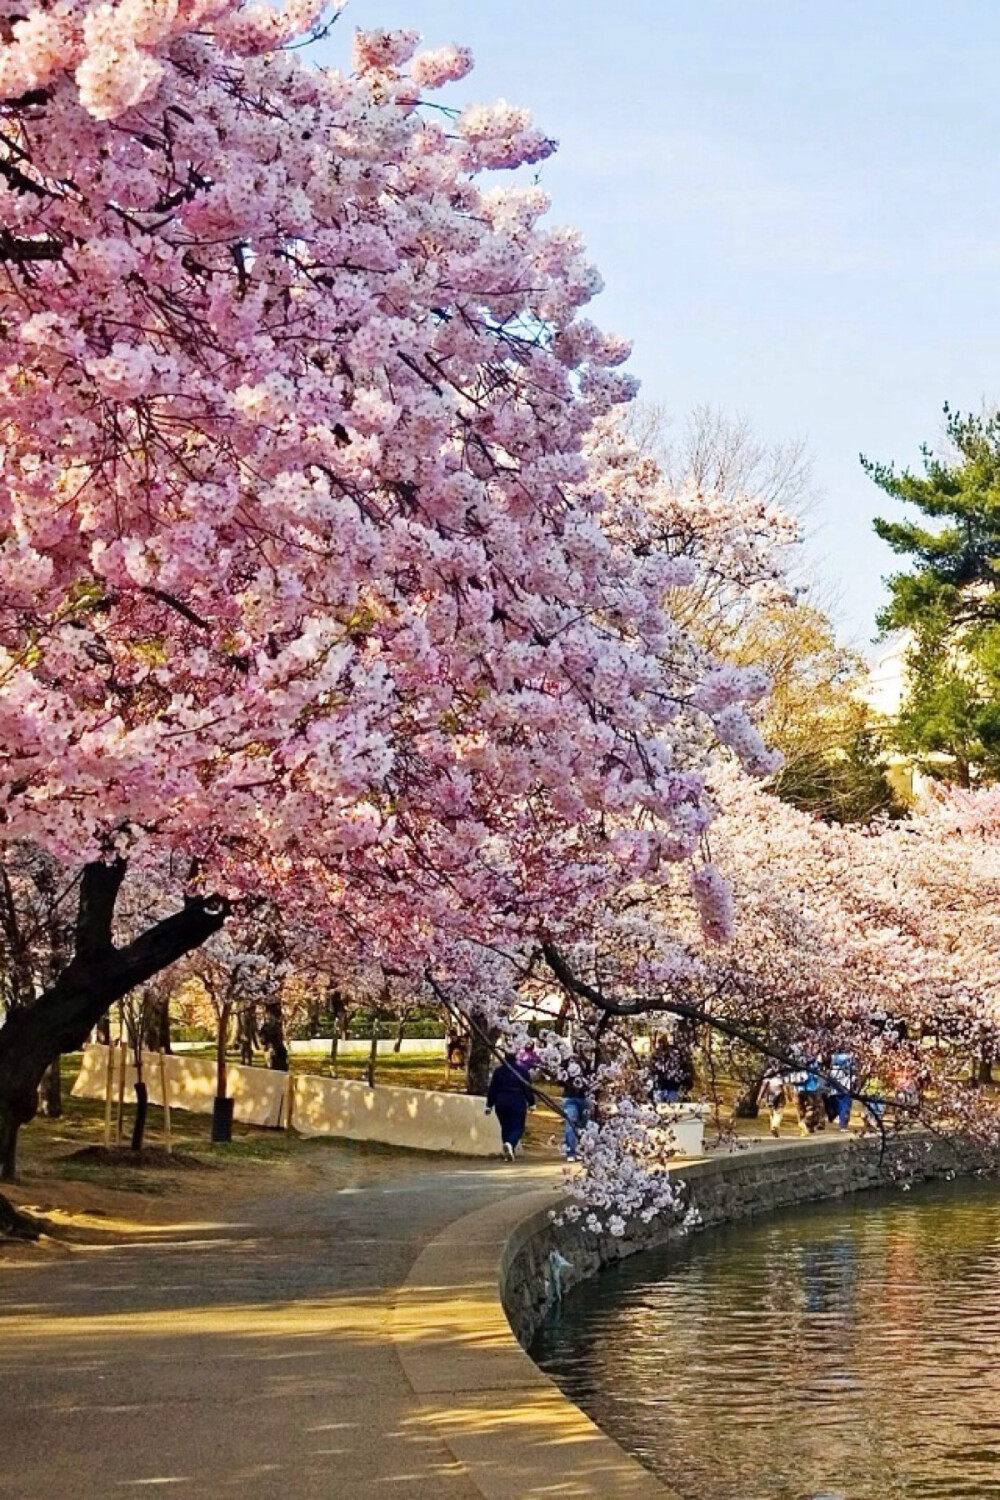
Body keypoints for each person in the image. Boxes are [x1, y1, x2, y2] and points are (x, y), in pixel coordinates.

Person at [485, 1052, 535, 1160]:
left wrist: (489, 1105)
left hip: (501, 1100)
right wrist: (531, 1102)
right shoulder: (522, 1070)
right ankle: (510, 1144)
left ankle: (508, 1151)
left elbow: (492, 1088)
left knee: (505, 1127)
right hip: (517, 1100)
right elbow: (527, 1088)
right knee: (518, 1127)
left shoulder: (498, 1071)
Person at [561, 1076, 588, 1160]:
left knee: (584, 1125)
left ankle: (580, 1150)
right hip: (570, 1097)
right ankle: (571, 1152)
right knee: (571, 1124)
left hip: (587, 1097)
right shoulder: (566, 1064)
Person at [758, 1070, 787, 1138]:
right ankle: (774, 1126)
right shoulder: (779, 1078)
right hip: (779, 1096)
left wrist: (759, 1098)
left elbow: (763, 1088)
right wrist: (787, 1095)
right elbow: (784, 1087)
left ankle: (773, 1127)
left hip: (770, 1096)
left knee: (772, 1113)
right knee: (778, 1113)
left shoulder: (766, 1079)